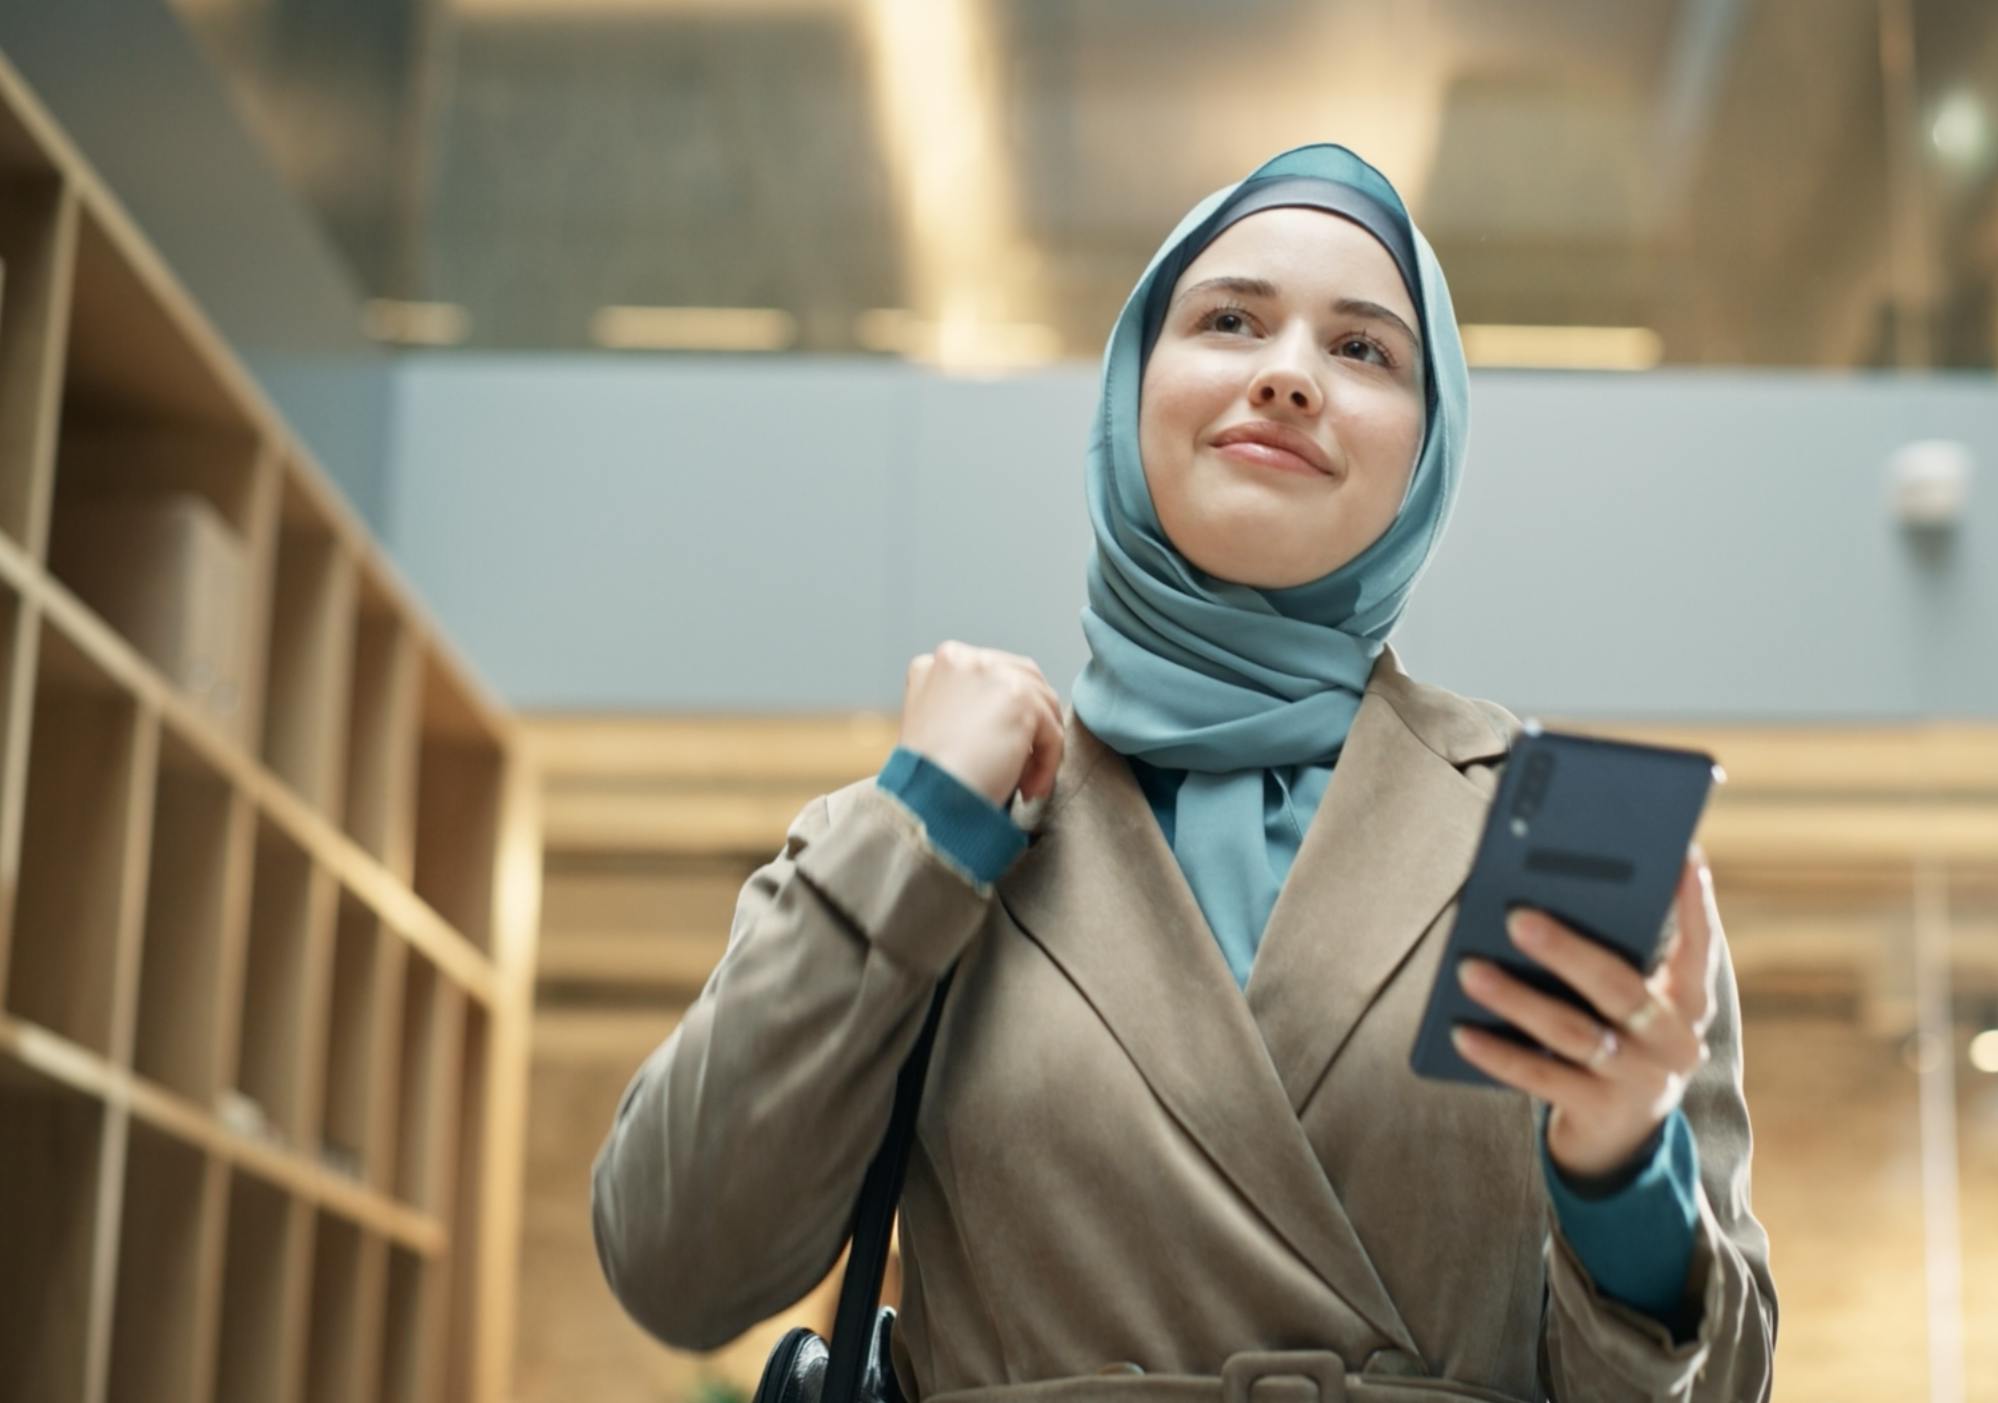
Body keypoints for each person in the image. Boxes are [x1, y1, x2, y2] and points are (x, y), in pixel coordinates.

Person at [591, 143, 1776, 1403]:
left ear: (1429, 452)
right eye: (1229, 321)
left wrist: (1619, 1180)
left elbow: (1724, 1383)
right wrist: (915, 825)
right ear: (1133, 384)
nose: (1287, 377)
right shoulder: (931, 820)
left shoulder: (1555, 833)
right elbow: (679, 1262)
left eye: (1364, 349)